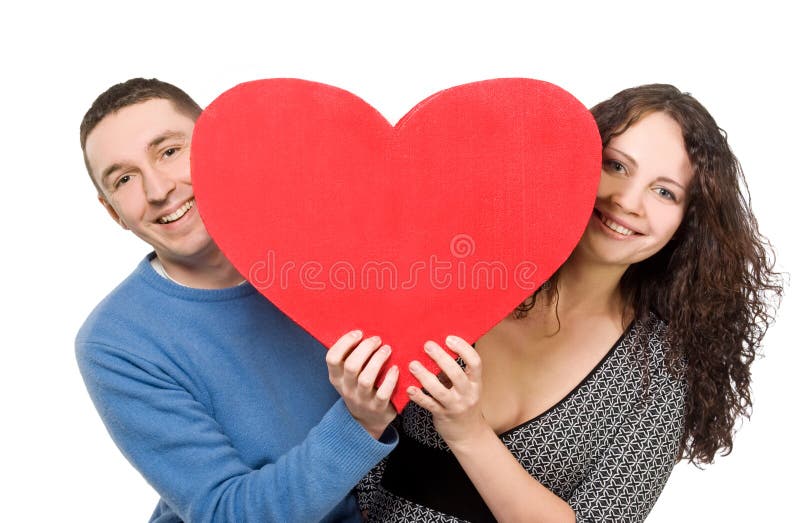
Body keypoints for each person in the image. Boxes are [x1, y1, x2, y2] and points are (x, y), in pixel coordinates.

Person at [357, 84, 783, 522]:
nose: (626, 201)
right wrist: (360, 414)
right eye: (616, 165)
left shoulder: (660, 372)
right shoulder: (464, 267)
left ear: (688, 223)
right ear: (575, 158)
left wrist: (468, 434)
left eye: (665, 192)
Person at [75, 77, 400, 523]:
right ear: (112, 211)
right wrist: (360, 422)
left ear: (217, 144)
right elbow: (224, 513)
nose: (158, 189)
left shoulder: (324, 247)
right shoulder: (116, 342)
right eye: (125, 178)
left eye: (169, 151)